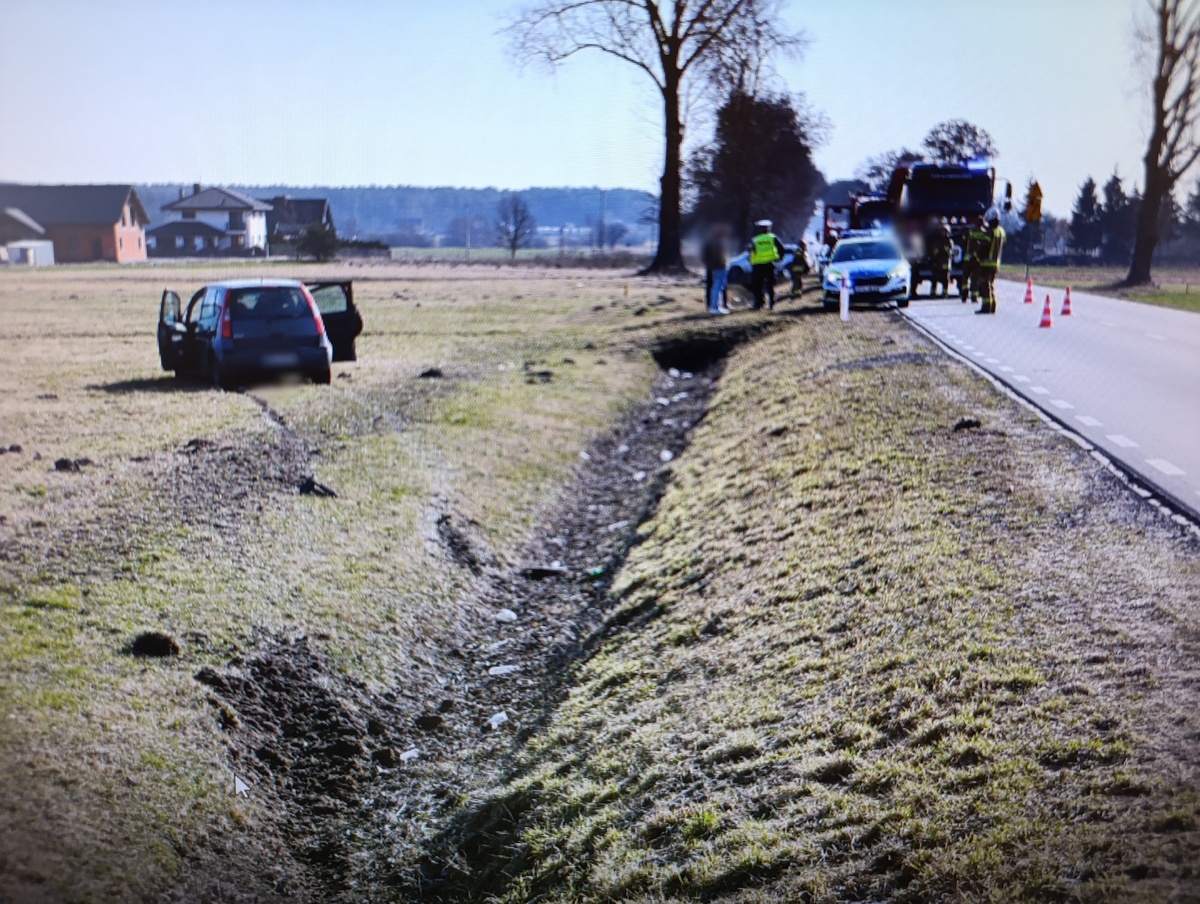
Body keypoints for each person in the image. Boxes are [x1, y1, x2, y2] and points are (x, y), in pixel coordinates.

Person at [749, 219, 785, 311]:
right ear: (768, 229)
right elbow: (782, 249)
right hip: (770, 264)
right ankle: (771, 303)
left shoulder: (755, 240)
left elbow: (751, 252)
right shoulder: (773, 237)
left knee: (758, 285)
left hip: (758, 265)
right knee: (770, 285)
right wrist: (779, 258)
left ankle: (758, 304)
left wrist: (751, 261)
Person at [976, 213, 1006, 315]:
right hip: (996, 263)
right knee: (991, 285)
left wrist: (977, 257)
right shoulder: (1001, 232)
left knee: (985, 284)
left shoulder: (990, 232)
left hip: (986, 263)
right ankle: (993, 306)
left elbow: (984, 247)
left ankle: (986, 307)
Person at [701, 224, 731, 315]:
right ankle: (715, 307)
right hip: (719, 267)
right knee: (717, 287)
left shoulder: (711, 242)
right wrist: (722, 264)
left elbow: (704, 256)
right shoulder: (719, 243)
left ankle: (716, 306)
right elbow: (720, 256)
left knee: (717, 286)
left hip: (713, 267)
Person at [959, 222, 989, 305]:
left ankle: (964, 295)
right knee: (975, 279)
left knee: (965, 278)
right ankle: (974, 297)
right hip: (978, 260)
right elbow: (985, 246)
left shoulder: (970, 231)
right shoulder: (984, 233)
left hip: (968, 259)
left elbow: (962, 242)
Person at [929, 223, 954, 298]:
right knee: (934, 278)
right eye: (942, 231)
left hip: (945, 262)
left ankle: (945, 292)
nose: (943, 233)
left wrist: (941, 250)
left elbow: (949, 251)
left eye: (945, 231)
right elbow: (934, 251)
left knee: (945, 279)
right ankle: (933, 292)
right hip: (937, 262)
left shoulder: (949, 241)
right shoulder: (937, 241)